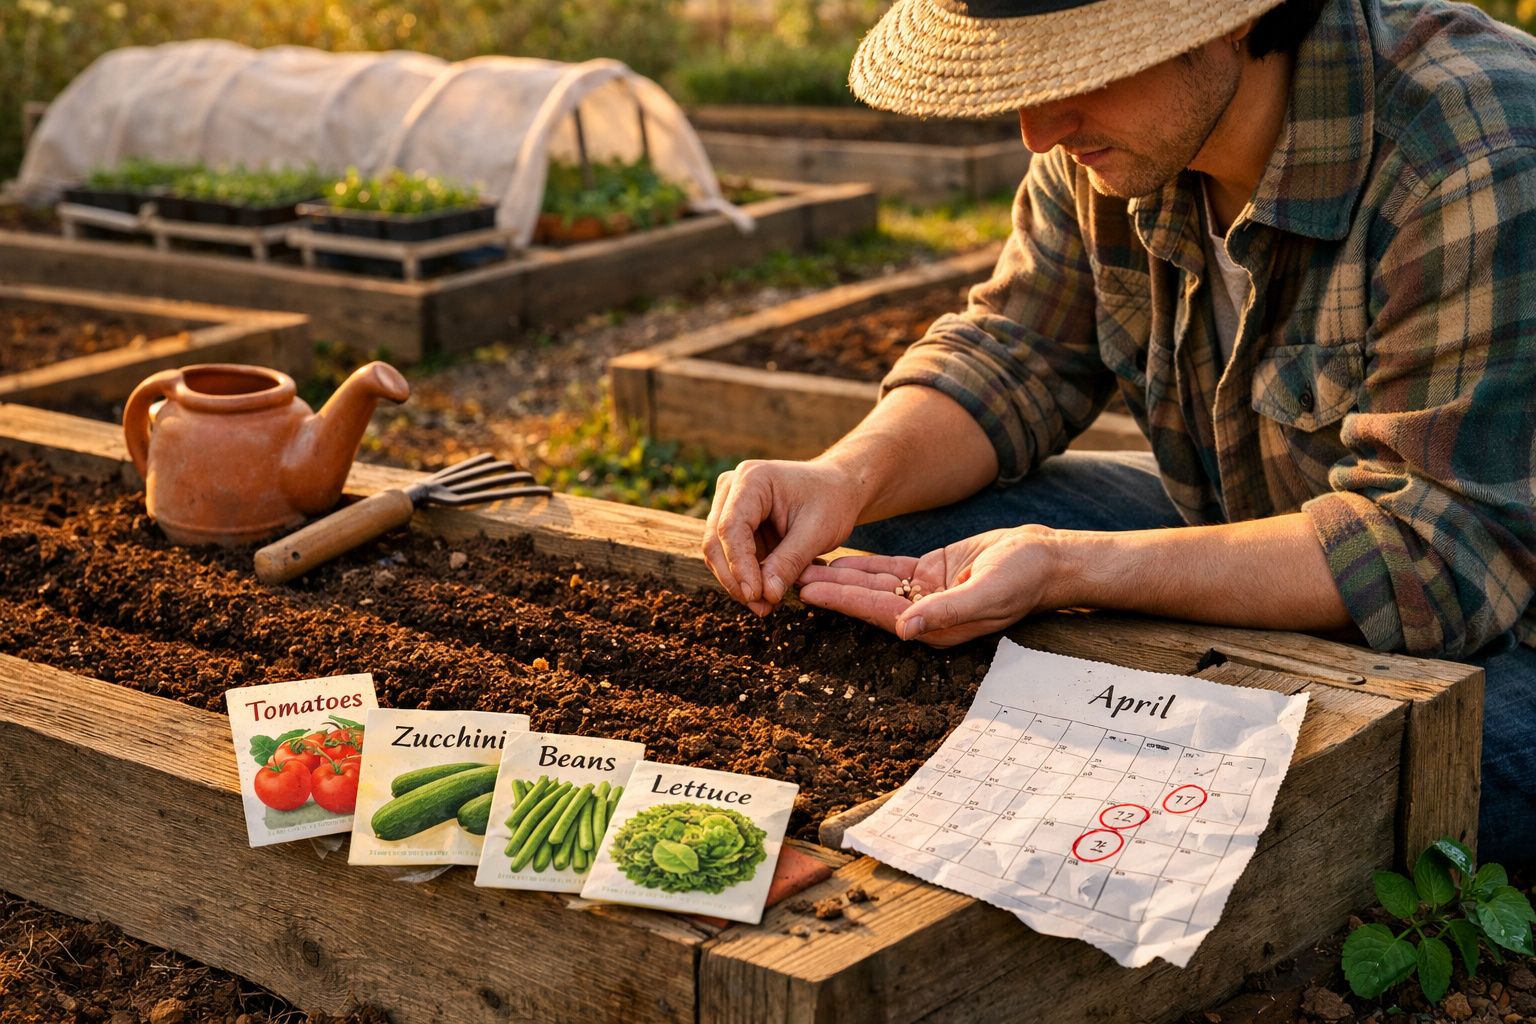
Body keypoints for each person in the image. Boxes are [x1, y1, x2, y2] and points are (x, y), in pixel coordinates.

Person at [701, 0, 1536, 863]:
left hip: (1506, 633)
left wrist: (1071, 568)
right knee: (878, 542)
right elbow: (1015, 352)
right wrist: (844, 477)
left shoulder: (1476, 147)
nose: (1037, 127)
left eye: (1076, 68)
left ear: (1226, 21)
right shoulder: (1112, 146)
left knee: (1269, 777)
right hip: (1251, 534)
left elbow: (1433, 552)